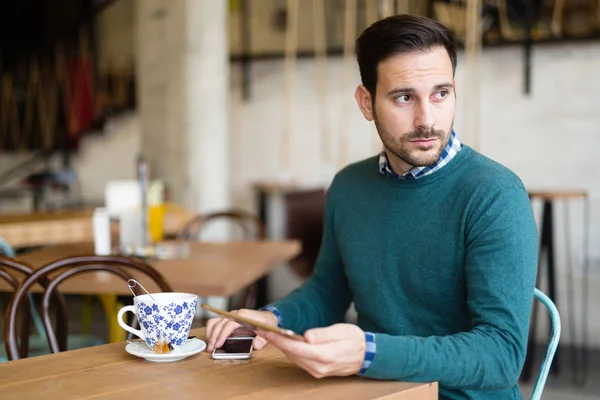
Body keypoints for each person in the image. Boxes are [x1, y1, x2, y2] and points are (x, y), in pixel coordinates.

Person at [205, 14, 537, 400]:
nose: (427, 119)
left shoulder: (495, 195)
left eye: (440, 94)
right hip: (370, 392)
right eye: (404, 97)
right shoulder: (348, 186)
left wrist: (368, 353)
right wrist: (271, 319)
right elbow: (329, 291)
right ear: (367, 102)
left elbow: (502, 354)